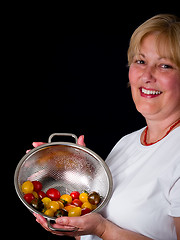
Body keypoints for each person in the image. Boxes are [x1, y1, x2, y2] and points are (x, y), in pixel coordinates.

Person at [33, 14, 180, 240]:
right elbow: (96, 229)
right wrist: (75, 217)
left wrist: (103, 229)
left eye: (165, 65)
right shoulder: (127, 143)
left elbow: (103, 229)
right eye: (140, 61)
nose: (146, 76)